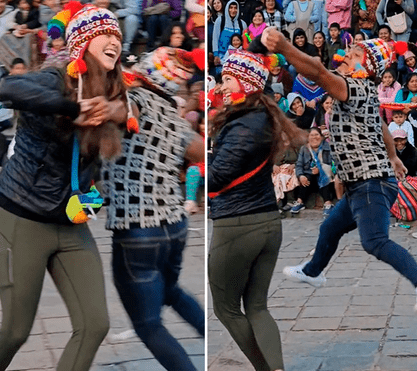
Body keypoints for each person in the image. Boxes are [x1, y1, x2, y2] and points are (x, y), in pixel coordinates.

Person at [0, 2, 130, 369]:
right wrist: (72, 107)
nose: (113, 40)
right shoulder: (54, 80)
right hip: (21, 218)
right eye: (104, 34)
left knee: (94, 325)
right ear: (82, 44)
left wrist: (113, 111)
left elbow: (131, 113)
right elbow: (7, 88)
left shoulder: (114, 90)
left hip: (72, 224)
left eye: (116, 35)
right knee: (14, 331)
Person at [262, 28, 417, 315]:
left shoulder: (353, 87)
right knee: (330, 227)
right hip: (360, 184)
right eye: (350, 50)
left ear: (368, 66)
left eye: (357, 54)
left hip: (370, 183)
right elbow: (381, 126)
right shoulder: (365, 93)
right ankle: (313, 271)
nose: (348, 53)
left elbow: (318, 73)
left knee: (374, 241)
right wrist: (393, 156)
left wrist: (286, 48)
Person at [103, 46, 206, 370]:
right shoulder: (171, 114)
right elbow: (200, 151)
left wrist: (102, 108)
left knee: (148, 324)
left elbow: (123, 111)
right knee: (171, 291)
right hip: (175, 227)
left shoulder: (134, 99)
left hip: (138, 230)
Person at [209, 48, 306, 371]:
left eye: (226, 79)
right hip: (267, 222)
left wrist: (189, 157)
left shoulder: (243, 125)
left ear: (245, 84)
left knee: (226, 309)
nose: (221, 87)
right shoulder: (259, 118)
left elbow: (217, 176)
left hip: (236, 225)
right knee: (257, 306)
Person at [292, 127, 336, 215]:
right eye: (311, 135)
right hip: (310, 176)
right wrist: (301, 175)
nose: (314, 137)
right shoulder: (304, 149)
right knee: (306, 177)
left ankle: (328, 203)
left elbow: (333, 165)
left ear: (321, 136)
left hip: (325, 177)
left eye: (316, 135)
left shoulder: (328, 148)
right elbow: (299, 165)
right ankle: (299, 201)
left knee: (324, 176)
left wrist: (320, 169)